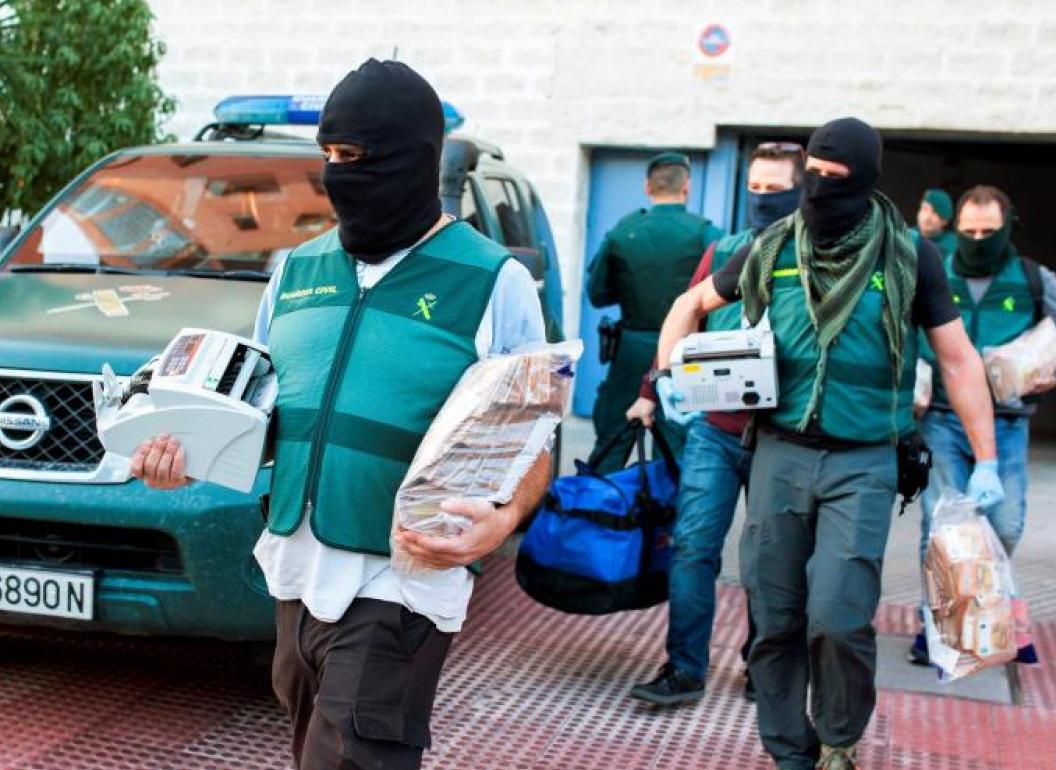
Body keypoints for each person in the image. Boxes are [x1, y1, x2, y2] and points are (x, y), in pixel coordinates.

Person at [130, 59, 551, 770]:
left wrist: (503, 521)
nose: (336, 175)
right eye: (327, 157)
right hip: (294, 571)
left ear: (416, 161)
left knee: (351, 755)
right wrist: (181, 455)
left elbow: (534, 438)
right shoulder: (295, 271)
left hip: (403, 579)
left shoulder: (493, 280)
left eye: (354, 158)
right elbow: (263, 419)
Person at [648, 117, 1003, 770]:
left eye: (836, 180)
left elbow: (957, 360)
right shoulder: (772, 246)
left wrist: (986, 459)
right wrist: (669, 371)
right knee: (775, 614)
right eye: (813, 175)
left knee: (839, 616)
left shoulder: (905, 254)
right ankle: (790, 752)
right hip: (778, 451)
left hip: (864, 459)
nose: (819, 190)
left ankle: (839, 738)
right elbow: (692, 303)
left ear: (867, 181)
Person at [626, 141, 804, 707]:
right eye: (755, 187)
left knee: (772, 560)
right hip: (717, 430)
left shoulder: (815, 260)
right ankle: (684, 669)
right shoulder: (726, 250)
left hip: (782, 435)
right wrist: (652, 389)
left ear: (803, 192)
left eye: (776, 190)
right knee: (693, 548)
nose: (762, 199)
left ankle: (764, 668)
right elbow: (685, 311)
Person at [909, 185, 1056, 666]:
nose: (976, 239)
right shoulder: (934, 271)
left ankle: (991, 616)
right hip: (943, 420)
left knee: (1005, 525)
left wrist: (1045, 369)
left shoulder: (1034, 279)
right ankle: (939, 627)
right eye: (968, 231)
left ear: (1008, 226)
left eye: (987, 232)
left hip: (1008, 421)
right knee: (944, 526)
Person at [585, 151, 722, 471]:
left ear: (649, 186)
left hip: (631, 351)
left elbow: (597, 294)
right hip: (684, 352)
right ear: (685, 187)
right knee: (676, 447)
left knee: (613, 440)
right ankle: (667, 519)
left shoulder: (623, 232)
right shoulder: (707, 234)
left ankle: (596, 515)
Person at [913, 188, 957, 259]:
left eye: (935, 212)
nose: (927, 217)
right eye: (925, 209)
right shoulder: (906, 236)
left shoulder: (954, 244)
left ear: (945, 220)